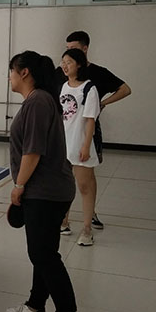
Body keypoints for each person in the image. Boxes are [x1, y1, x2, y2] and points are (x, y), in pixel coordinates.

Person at [4, 50, 87, 312]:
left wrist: (19, 185)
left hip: (46, 192)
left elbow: (33, 151)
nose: (9, 77)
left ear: (24, 72)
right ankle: (35, 307)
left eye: (11, 71)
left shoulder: (38, 101)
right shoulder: (37, 100)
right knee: (43, 251)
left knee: (44, 255)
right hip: (48, 190)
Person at [56, 30, 131, 233]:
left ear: (85, 49)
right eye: (66, 51)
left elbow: (125, 89)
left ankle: (89, 218)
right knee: (65, 179)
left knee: (86, 179)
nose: (66, 60)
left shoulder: (97, 76)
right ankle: (63, 220)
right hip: (65, 134)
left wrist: (102, 104)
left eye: (73, 50)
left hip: (87, 133)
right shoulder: (61, 76)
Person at [60, 49, 100, 247]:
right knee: (64, 186)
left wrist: (85, 146)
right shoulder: (64, 87)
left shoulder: (89, 88)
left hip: (80, 145)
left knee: (84, 187)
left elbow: (90, 120)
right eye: (63, 62)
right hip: (64, 145)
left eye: (69, 62)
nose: (64, 66)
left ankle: (87, 230)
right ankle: (64, 222)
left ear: (79, 65)